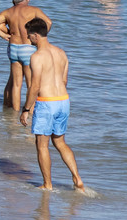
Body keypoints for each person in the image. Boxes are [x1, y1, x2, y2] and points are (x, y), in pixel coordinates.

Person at [18, 18, 85, 191]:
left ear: (35, 35)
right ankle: (77, 178)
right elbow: (64, 80)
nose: (28, 39)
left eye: (28, 36)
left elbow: (35, 86)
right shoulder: (61, 53)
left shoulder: (37, 57)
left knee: (41, 145)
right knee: (60, 142)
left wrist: (26, 109)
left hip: (47, 103)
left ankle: (47, 184)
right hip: (63, 101)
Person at [0, 0, 51, 111]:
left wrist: (4, 35)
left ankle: (15, 113)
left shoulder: (8, 12)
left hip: (13, 48)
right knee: (31, 85)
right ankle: (30, 112)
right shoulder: (33, 10)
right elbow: (48, 22)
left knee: (16, 84)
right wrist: (40, 39)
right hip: (28, 48)